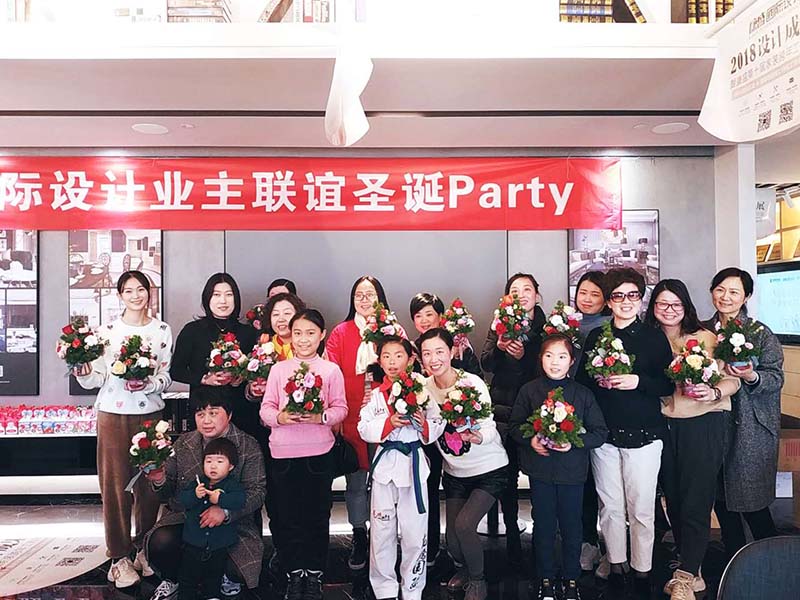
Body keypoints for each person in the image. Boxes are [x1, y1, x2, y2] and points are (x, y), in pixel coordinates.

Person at [575, 267, 674, 598]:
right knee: (610, 506)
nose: (626, 301)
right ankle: (616, 566)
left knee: (641, 508)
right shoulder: (596, 337)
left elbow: (668, 385)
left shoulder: (653, 337)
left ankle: (642, 571)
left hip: (644, 435)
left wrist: (638, 381)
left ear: (641, 298)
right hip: (604, 435)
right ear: (609, 301)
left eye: (633, 295)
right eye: (618, 295)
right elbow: (583, 385)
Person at [74, 270, 173, 588]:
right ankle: (118, 557)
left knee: (151, 485)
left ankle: (145, 548)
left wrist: (149, 384)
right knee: (116, 487)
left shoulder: (162, 330)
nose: (135, 295)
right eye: (128, 290)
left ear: (149, 292)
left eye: (141, 289)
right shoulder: (106, 333)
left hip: (151, 415)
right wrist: (82, 370)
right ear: (120, 296)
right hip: (113, 416)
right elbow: (96, 379)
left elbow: (166, 376)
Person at [644, 279, 740, 600]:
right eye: (662, 304)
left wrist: (712, 391)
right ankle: (692, 566)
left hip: (703, 423)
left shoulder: (705, 338)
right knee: (673, 499)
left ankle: (685, 577)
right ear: (653, 308)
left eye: (676, 304)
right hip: (664, 426)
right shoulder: (647, 339)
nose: (669, 310)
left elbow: (732, 381)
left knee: (696, 500)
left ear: (686, 307)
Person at [144, 388, 266, 600]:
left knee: (240, 571)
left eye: (213, 413)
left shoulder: (248, 445)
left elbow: (257, 492)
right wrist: (159, 479)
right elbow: (167, 491)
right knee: (160, 541)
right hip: (186, 517)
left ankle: (224, 575)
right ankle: (174, 579)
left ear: (229, 414)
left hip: (233, 524)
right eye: (200, 414)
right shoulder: (184, 443)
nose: (206, 420)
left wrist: (225, 512)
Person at [510, 334, 607, 600]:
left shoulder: (583, 394)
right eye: (549, 355)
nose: (555, 362)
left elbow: (600, 433)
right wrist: (531, 439)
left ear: (572, 361)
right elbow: (515, 426)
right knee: (542, 526)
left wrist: (574, 442)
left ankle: (572, 579)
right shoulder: (529, 390)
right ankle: (545, 579)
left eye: (562, 356)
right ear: (540, 359)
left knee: (572, 527)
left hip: (572, 474)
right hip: (540, 472)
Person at [260, 309, 348, 600]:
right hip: (282, 454)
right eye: (297, 333)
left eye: (310, 333)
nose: (303, 339)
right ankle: (293, 574)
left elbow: (341, 408)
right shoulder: (278, 369)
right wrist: (280, 418)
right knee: (288, 518)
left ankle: (314, 575)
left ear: (322, 335)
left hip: (318, 454)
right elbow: (265, 409)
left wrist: (321, 417)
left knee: (316, 517)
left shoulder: (331, 370)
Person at [420, 328, 508, 600]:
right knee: (453, 542)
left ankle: (478, 580)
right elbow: (425, 431)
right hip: (455, 473)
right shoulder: (423, 389)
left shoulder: (470, 383)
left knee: (464, 525)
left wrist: (477, 436)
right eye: (427, 353)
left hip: (489, 469)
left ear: (450, 352)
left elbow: (489, 426)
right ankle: (465, 569)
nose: (434, 359)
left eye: (439, 351)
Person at [326, 275, 407, 570]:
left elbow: (405, 368)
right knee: (357, 481)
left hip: (389, 418)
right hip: (351, 417)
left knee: (388, 481)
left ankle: (386, 535)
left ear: (380, 298)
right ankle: (359, 534)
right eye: (358, 295)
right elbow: (330, 375)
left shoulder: (393, 330)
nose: (364, 300)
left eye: (370, 294)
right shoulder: (341, 332)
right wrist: (335, 415)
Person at [704, 267, 784, 556]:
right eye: (720, 290)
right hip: (713, 422)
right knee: (720, 499)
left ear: (746, 296)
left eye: (734, 292)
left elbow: (776, 378)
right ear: (712, 292)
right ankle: (734, 559)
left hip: (751, 427)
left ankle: (774, 562)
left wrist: (751, 376)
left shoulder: (761, 334)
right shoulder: (702, 331)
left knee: (754, 504)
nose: (726, 297)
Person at [357, 336, 445, 600]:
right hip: (385, 468)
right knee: (381, 531)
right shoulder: (375, 395)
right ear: (379, 361)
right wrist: (389, 423)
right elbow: (363, 427)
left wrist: (422, 423)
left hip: (413, 467)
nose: (392, 361)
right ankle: (383, 588)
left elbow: (438, 422)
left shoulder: (422, 391)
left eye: (398, 355)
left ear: (410, 359)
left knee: (414, 534)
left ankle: (412, 588)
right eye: (386, 356)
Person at [409, 292, 481, 571]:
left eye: (430, 314)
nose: (424, 320)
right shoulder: (410, 350)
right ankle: (428, 548)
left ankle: (457, 550)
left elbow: (476, 382)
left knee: (452, 489)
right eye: (418, 315)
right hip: (427, 433)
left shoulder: (459, 347)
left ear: (440, 316)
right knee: (426, 489)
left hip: (456, 435)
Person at [480, 272, 546, 564]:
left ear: (537, 295)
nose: (521, 294)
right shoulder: (499, 324)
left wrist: (523, 357)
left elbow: (551, 368)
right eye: (514, 290)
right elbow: (486, 363)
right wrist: (499, 348)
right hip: (504, 410)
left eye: (527, 289)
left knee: (539, 475)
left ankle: (542, 536)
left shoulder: (548, 327)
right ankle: (512, 536)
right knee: (507, 476)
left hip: (536, 411)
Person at [244, 291, 306, 581]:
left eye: (287, 313)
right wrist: (253, 389)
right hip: (271, 434)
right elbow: (248, 390)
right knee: (277, 497)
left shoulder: (308, 345)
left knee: (303, 498)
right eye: (276, 314)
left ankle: (306, 557)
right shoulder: (262, 348)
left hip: (306, 436)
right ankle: (282, 550)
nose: (282, 319)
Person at [170, 273, 258, 439]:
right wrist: (204, 379)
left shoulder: (248, 333)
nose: (223, 301)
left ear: (236, 299)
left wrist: (241, 377)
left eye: (229, 295)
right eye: (216, 295)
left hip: (241, 410)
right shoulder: (192, 331)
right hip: (204, 409)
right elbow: (176, 371)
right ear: (207, 298)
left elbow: (256, 373)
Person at [571, 271, 611, 571]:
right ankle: (587, 542)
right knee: (582, 483)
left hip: (601, 411)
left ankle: (612, 549)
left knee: (607, 486)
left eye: (595, 294)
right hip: (569, 411)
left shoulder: (610, 327)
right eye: (583, 292)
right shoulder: (566, 324)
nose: (587, 299)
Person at [177, 438, 246, 600]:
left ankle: (212, 595)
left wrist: (221, 500)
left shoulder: (232, 485)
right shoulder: (198, 483)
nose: (213, 466)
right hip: (193, 542)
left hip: (219, 544)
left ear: (231, 466)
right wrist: (194, 494)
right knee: (187, 576)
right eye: (208, 461)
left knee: (214, 575)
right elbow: (183, 500)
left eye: (219, 461)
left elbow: (240, 501)